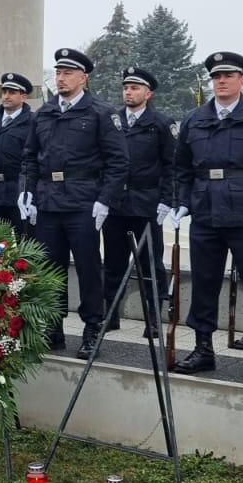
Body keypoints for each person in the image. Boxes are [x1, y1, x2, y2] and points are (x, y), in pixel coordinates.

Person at [170, 51, 243, 387]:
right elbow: (181, 168)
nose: (222, 81)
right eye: (217, 77)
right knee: (203, 283)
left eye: (229, 76)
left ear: (241, 80)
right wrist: (182, 203)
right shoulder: (194, 118)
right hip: (206, 212)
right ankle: (203, 349)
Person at [19, 48, 128, 359]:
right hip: (48, 201)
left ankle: (93, 327)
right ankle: (53, 328)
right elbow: (29, 157)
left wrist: (105, 200)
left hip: (83, 201)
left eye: (68, 73)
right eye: (58, 72)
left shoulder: (100, 113)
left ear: (83, 77)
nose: (61, 78)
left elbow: (118, 162)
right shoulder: (44, 113)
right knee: (49, 268)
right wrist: (26, 192)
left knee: (88, 267)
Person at [101, 67, 176, 334]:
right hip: (116, 202)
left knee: (151, 263)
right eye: (126, 88)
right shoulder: (112, 120)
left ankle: (154, 317)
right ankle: (110, 314)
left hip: (146, 203)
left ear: (148, 93)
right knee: (113, 262)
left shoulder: (161, 123)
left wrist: (167, 200)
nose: (128, 92)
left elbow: (171, 166)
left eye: (135, 88)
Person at [0, 73, 36, 235]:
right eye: (4, 92)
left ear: (24, 97)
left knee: (26, 247)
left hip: (20, 193)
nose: (6, 96)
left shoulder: (33, 122)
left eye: (12, 93)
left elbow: (35, 160)